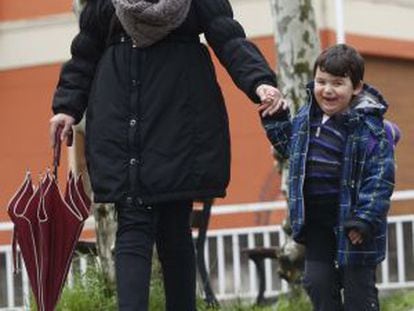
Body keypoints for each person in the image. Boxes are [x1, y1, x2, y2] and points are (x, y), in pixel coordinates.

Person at [49, 0, 282, 310]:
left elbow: (228, 37)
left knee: (175, 225)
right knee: (132, 219)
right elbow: (85, 51)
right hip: (122, 117)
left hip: (180, 117)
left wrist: (259, 82)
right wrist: (67, 107)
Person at [260, 44, 397, 311]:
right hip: (317, 223)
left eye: (338, 83)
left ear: (356, 87)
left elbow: (380, 178)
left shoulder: (369, 128)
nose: (328, 90)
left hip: (353, 224)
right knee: (317, 282)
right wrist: (277, 117)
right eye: (322, 81)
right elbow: (289, 147)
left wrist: (364, 218)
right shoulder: (305, 119)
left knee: (359, 294)